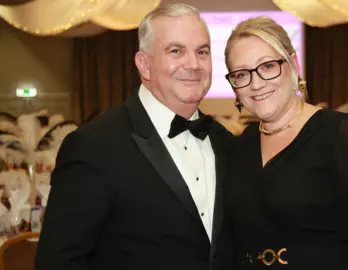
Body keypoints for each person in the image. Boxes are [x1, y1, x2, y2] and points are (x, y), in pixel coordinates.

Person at [35, 4, 232, 270]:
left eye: (202, 52)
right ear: (144, 65)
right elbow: (58, 262)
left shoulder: (225, 141)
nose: (194, 64)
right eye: (176, 51)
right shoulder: (93, 146)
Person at [223, 16, 348, 269]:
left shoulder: (343, 133)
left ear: (293, 64)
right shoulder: (242, 145)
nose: (255, 84)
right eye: (241, 74)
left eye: (267, 66)